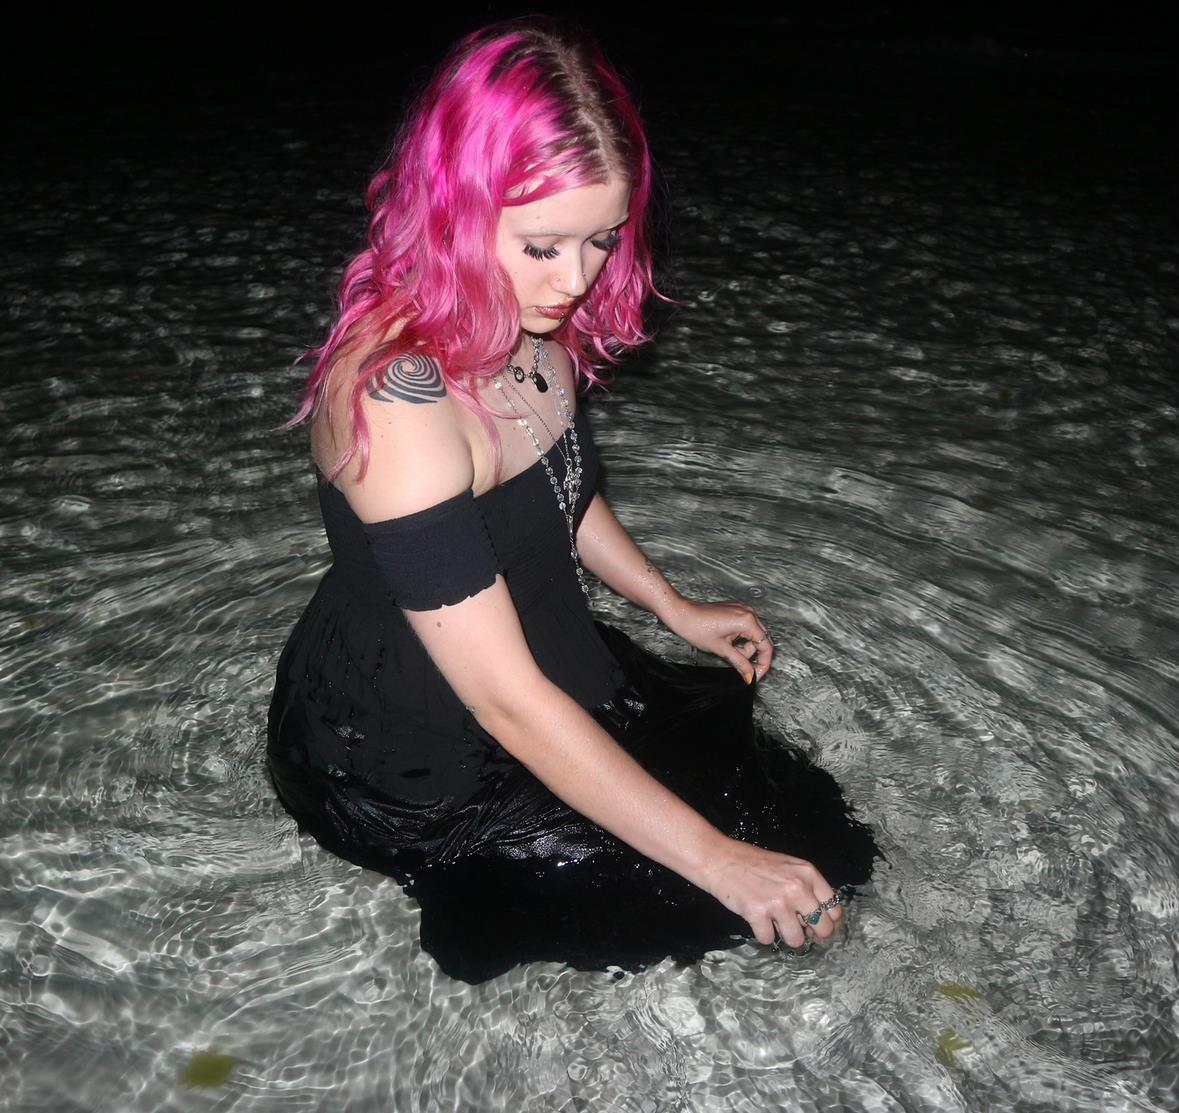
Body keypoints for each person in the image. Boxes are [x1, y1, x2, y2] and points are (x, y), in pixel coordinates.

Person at [267, 18, 876, 984]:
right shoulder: (399, 399)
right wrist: (718, 862)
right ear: (451, 209)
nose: (577, 279)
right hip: (417, 742)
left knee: (818, 836)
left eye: (601, 239)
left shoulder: (522, 313)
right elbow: (505, 702)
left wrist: (667, 602)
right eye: (543, 244)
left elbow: (557, 493)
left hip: (538, 655)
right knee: (705, 898)